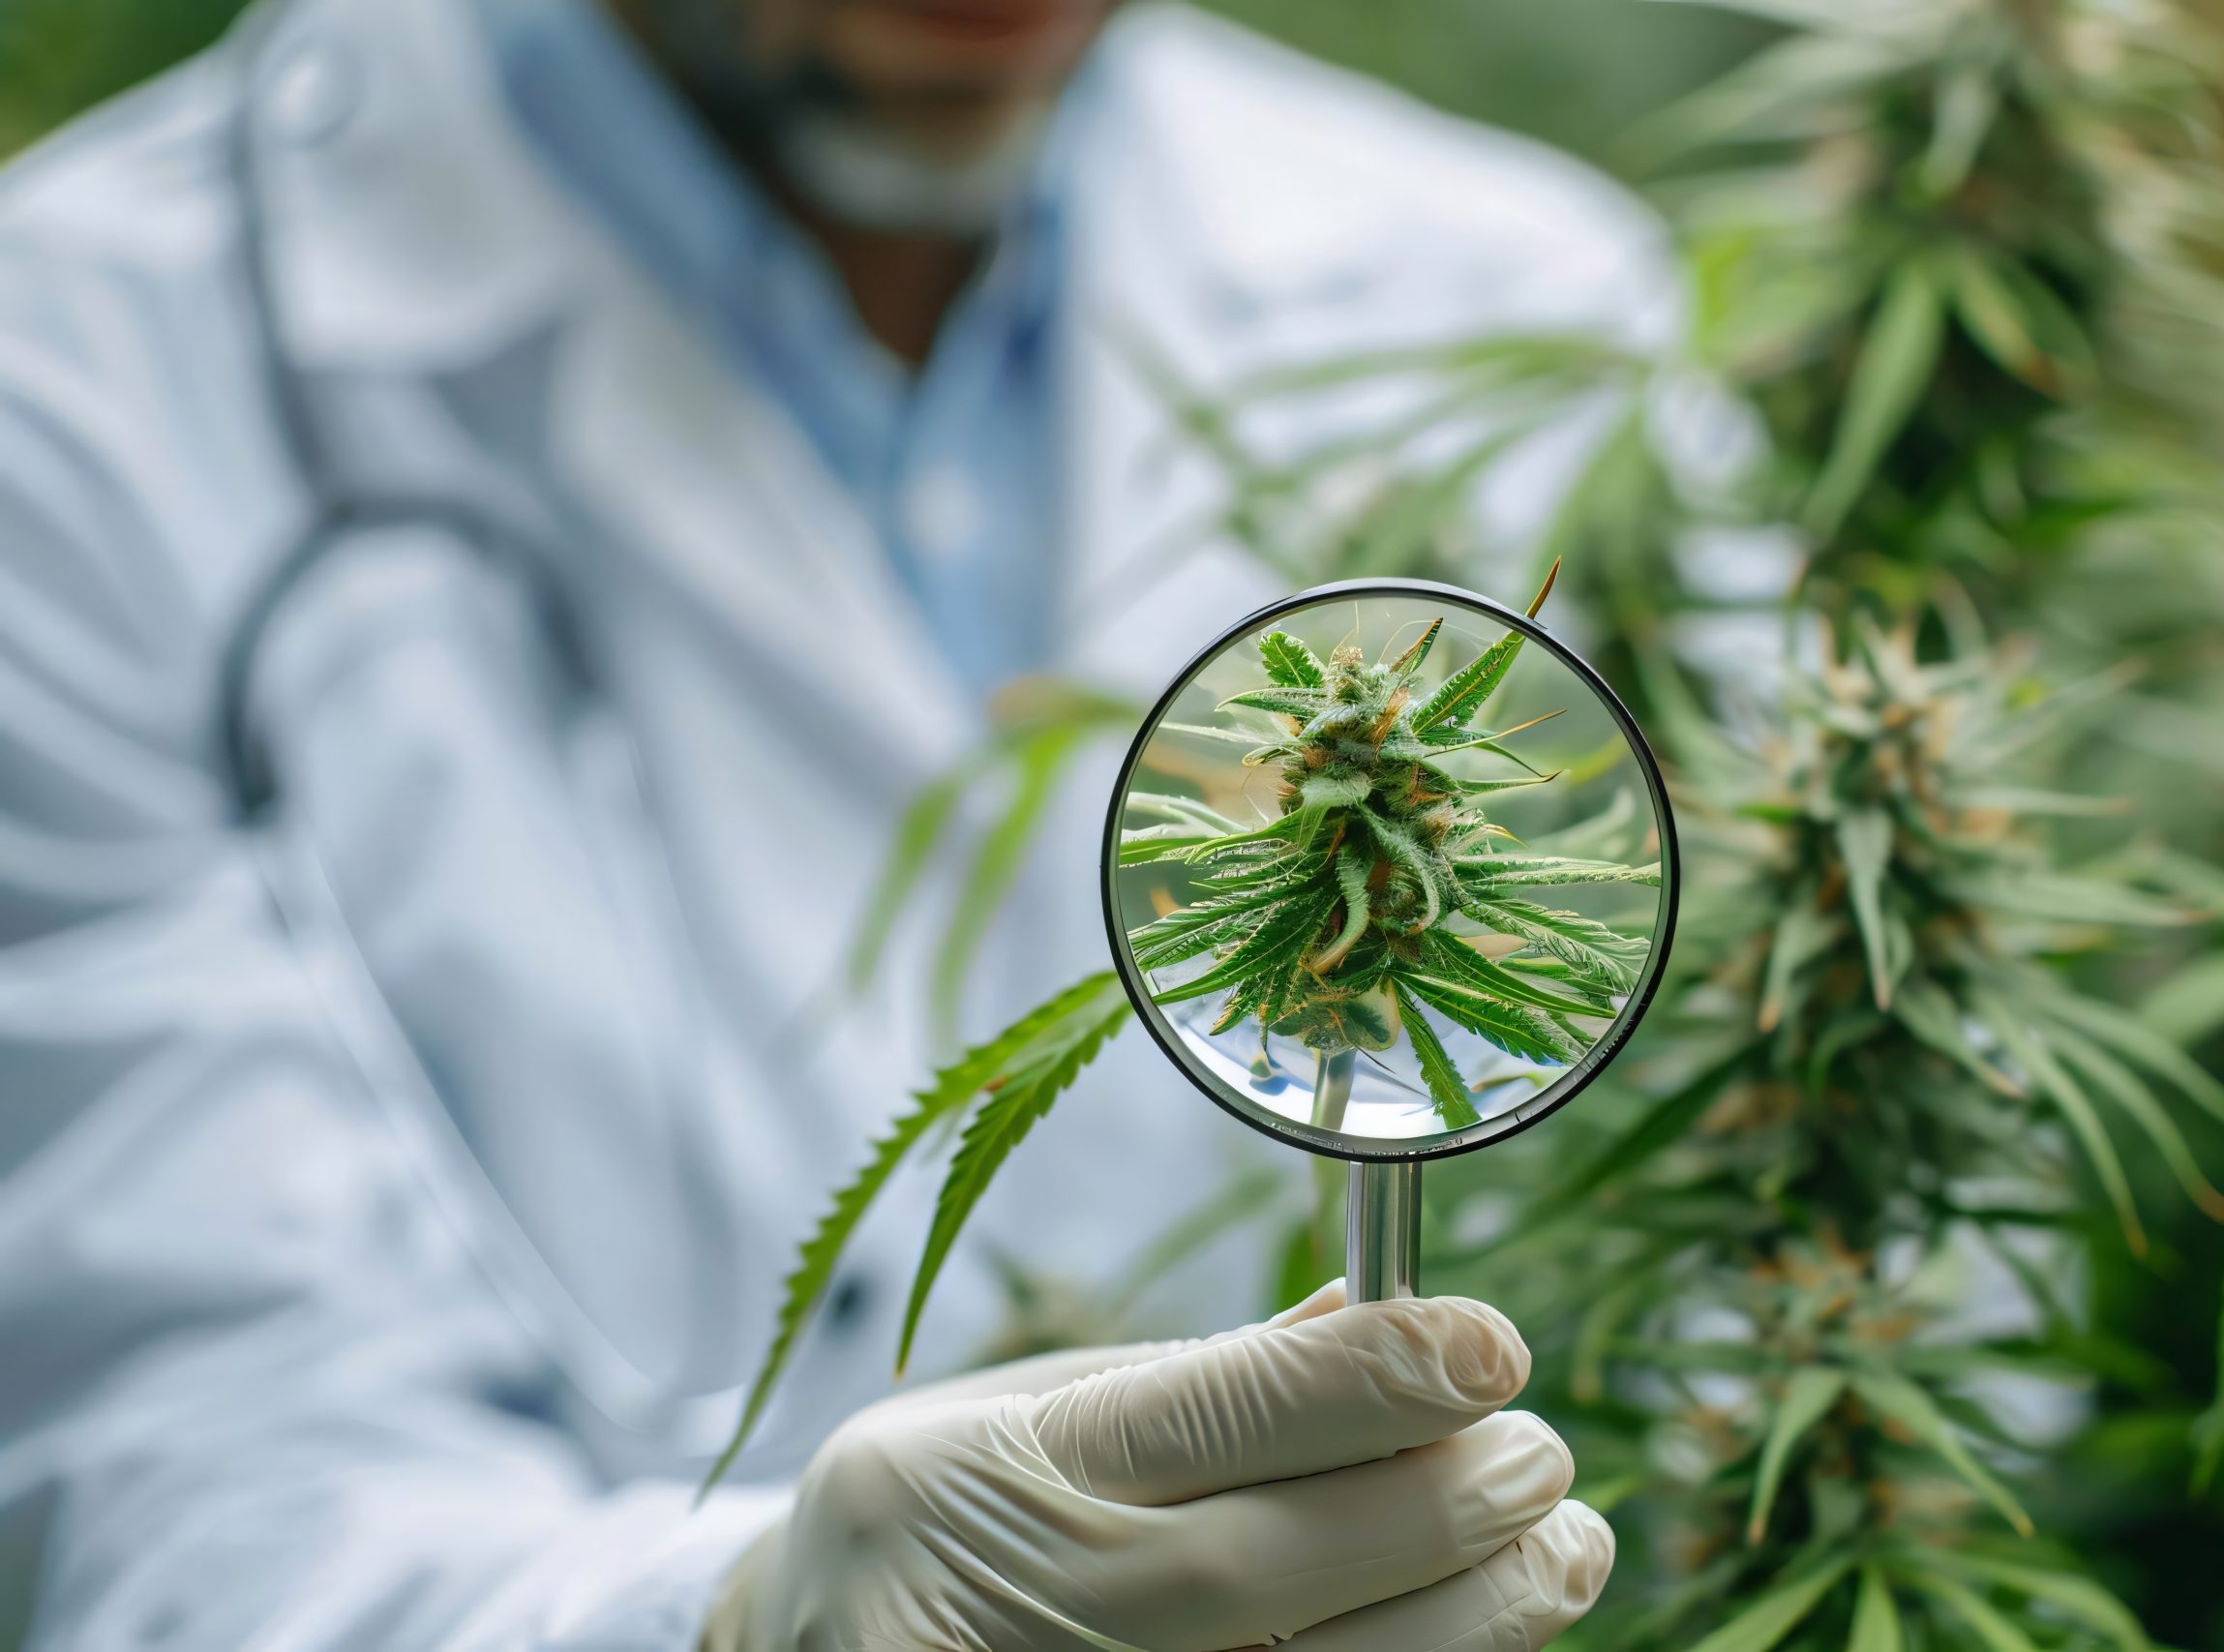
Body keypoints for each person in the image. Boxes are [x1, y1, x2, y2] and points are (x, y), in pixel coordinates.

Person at [0, 0, 1684, 1643]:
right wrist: (731, 1626)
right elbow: (183, 1497)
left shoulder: (1544, 303)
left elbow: (1815, 1211)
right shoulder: (73, 389)